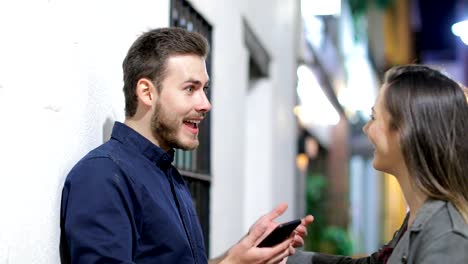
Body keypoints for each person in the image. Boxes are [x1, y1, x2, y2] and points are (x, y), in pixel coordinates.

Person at [60, 27, 312, 264]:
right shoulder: (102, 176)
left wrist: (239, 254)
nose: (205, 104)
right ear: (147, 93)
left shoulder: (168, 176)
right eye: (190, 88)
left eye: (204, 89)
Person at [288, 65, 468, 264]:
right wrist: (282, 258)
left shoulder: (446, 237)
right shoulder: (421, 221)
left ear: (406, 130)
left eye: (374, 118)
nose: (366, 129)